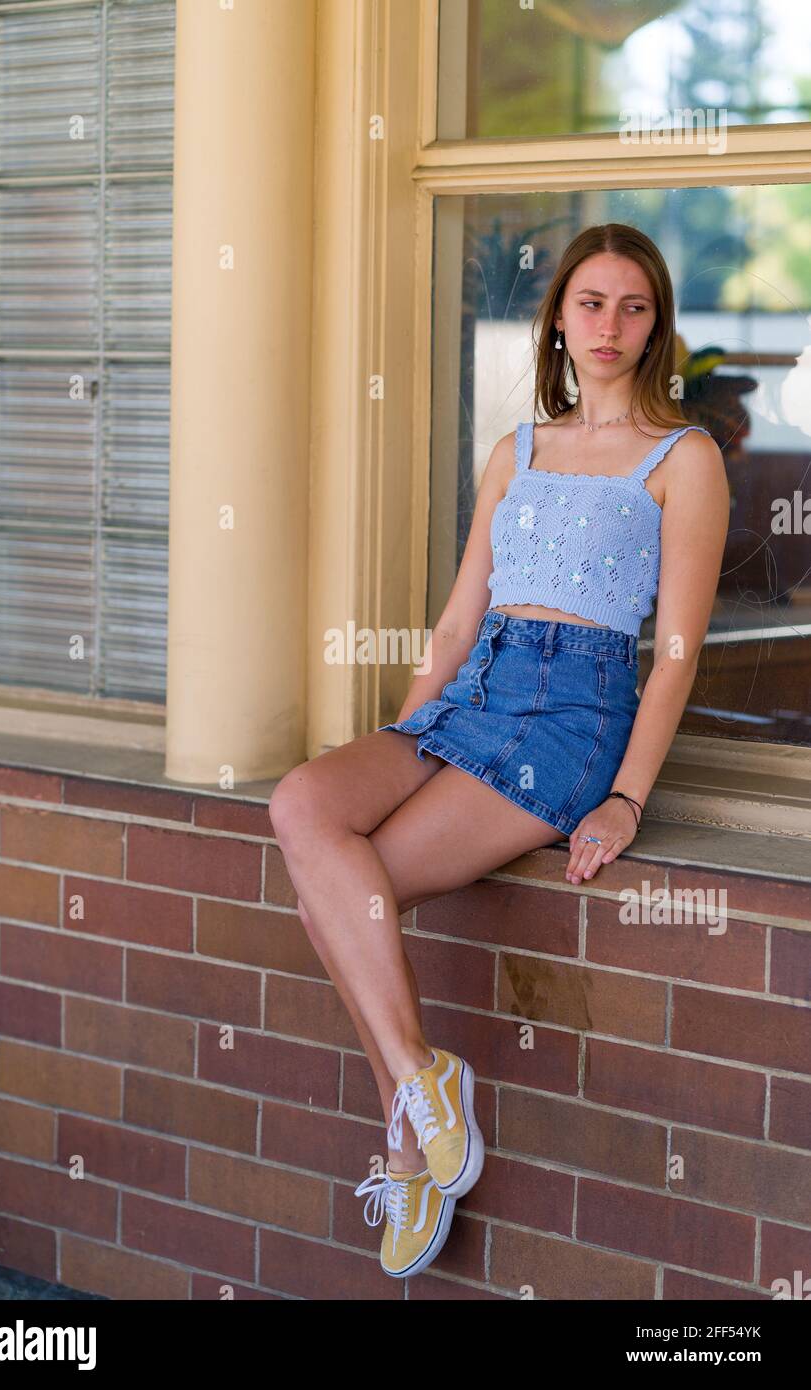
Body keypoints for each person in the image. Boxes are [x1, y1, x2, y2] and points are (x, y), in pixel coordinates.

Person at [268, 222, 730, 1281]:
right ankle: (421, 1080)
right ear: (557, 318)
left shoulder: (682, 457)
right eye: (589, 303)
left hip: (572, 717)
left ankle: (406, 1128)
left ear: (654, 325)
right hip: (467, 696)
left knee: (343, 889)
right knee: (303, 805)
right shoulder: (513, 451)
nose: (607, 325)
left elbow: (673, 656)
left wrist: (622, 798)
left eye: (631, 306)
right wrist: (406, 729)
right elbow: (453, 621)